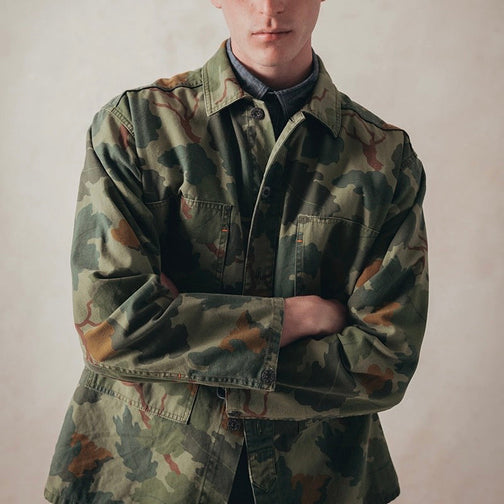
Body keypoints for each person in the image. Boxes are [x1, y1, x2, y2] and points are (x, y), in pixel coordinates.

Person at [45, 0, 428, 502]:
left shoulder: (385, 158)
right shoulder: (135, 127)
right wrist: (299, 318)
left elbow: (385, 361)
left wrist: (184, 330)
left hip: (320, 479)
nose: (269, 8)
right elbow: (111, 326)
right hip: (143, 477)